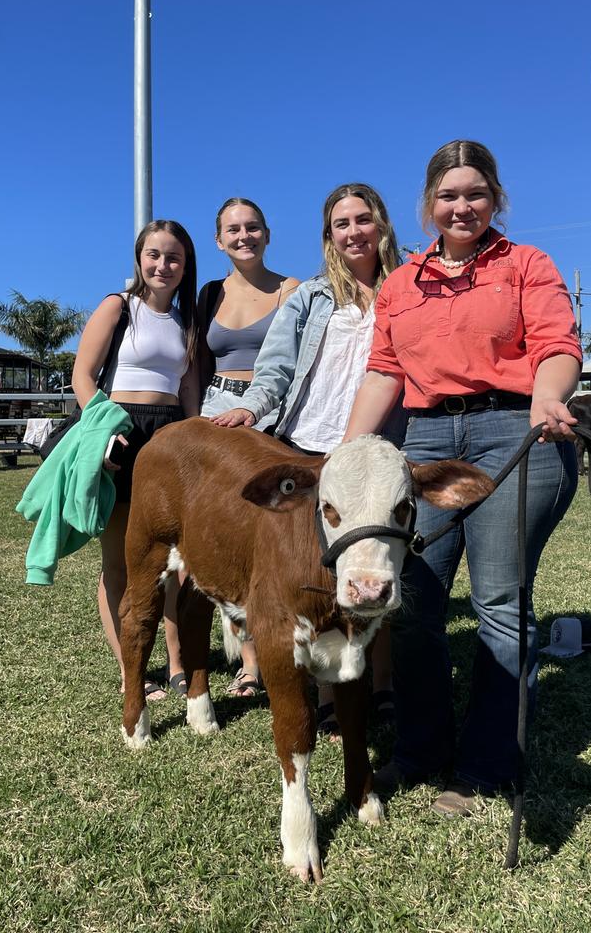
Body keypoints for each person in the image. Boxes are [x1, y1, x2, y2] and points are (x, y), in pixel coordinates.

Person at [343, 140, 582, 815]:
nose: (462, 206)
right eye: (448, 196)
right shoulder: (400, 284)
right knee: (413, 602)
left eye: (475, 193)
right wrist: (350, 449)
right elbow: (385, 370)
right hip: (425, 441)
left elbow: (558, 346)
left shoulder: (527, 264)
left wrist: (546, 398)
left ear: (495, 199)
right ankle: (420, 749)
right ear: (427, 207)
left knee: (500, 604)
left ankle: (486, 766)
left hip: (515, 433)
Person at [212, 182, 404, 733]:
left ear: (382, 225)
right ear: (328, 236)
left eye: (362, 220)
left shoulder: (408, 288)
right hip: (310, 444)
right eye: (340, 224)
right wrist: (250, 410)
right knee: (318, 576)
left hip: (377, 449)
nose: (353, 232)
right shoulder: (312, 297)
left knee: (379, 564)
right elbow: (274, 368)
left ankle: (383, 687)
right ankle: (327, 695)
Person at [72, 220, 200, 701]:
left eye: (174, 258)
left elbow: (188, 386)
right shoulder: (118, 307)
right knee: (121, 560)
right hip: (120, 432)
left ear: (186, 266)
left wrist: (195, 436)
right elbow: (82, 375)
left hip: (170, 437)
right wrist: (105, 428)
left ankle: (178, 663)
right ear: (139, 258)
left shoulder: (188, 320)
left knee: (175, 562)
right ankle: (133, 670)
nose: (163, 265)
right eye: (154, 255)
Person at [196, 197, 299, 696]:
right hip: (215, 413)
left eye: (253, 227)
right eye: (233, 229)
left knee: (274, 534)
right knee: (228, 533)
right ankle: (249, 662)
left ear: (267, 233)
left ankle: (286, 643)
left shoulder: (292, 290)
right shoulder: (209, 293)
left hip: (272, 415)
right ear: (219, 239)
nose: (244, 236)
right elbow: (195, 363)